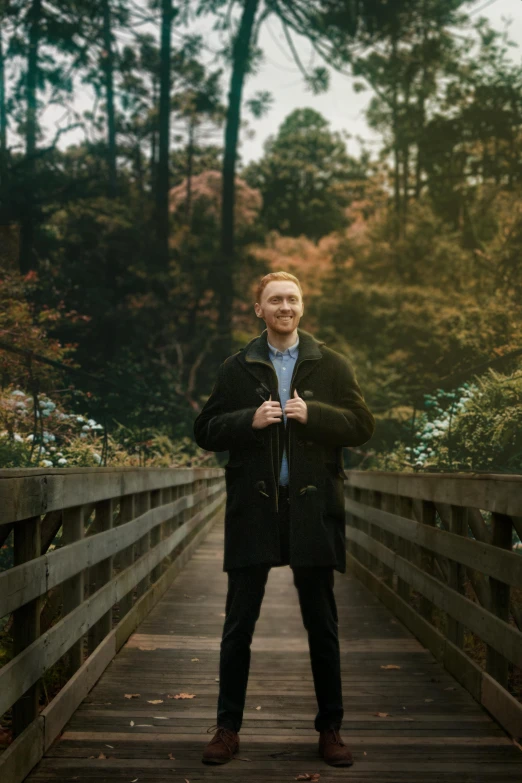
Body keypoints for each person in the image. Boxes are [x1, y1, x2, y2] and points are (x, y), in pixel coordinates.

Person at [193, 271, 375, 767]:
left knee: (322, 624)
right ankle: (227, 729)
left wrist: (312, 414)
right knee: (238, 625)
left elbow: (362, 425)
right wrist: (246, 423)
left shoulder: (331, 365)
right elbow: (204, 429)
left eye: (292, 299)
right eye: (275, 300)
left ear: (303, 306)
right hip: (255, 510)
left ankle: (330, 728)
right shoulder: (238, 367)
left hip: (313, 509)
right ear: (259, 309)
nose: (285, 307)